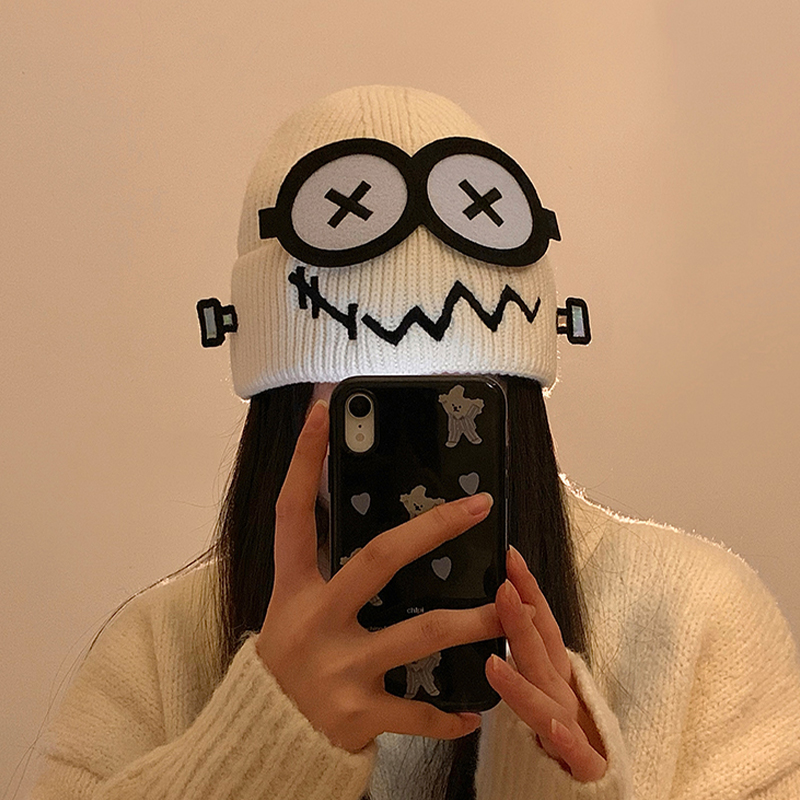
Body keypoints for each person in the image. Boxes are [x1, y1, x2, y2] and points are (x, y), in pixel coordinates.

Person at [31, 86, 800, 800]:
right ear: (281, 407)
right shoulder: (157, 654)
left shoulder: (697, 622)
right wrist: (258, 755)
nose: (419, 449)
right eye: (370, 395)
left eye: (453, 391)